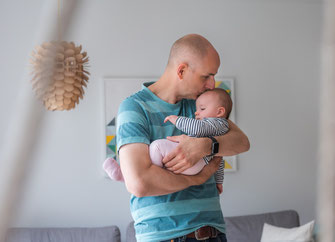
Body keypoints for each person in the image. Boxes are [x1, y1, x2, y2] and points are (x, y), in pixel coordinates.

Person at [115, 34, 250, 242]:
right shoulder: (134, 108)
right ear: (182, 70)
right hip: (163, 236)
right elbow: (140, 182)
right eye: (206, 76)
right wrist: (197, 178)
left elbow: (241, 142)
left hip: (212, 232)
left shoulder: (199, 106)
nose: (212, 84)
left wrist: (204, 145)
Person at [103, 88, 233, 194]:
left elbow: (198, 128)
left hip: (197, 163)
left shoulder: (218, 124)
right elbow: (219, 161)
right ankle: (130, 176)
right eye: (197, 109)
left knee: (157, 147)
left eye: (202, 109)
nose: (197, 113)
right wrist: (219, 181)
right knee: (158, 153)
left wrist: (177, 120)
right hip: (198, 164)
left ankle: (127, 177)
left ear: (219, 111)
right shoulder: (218, 126)